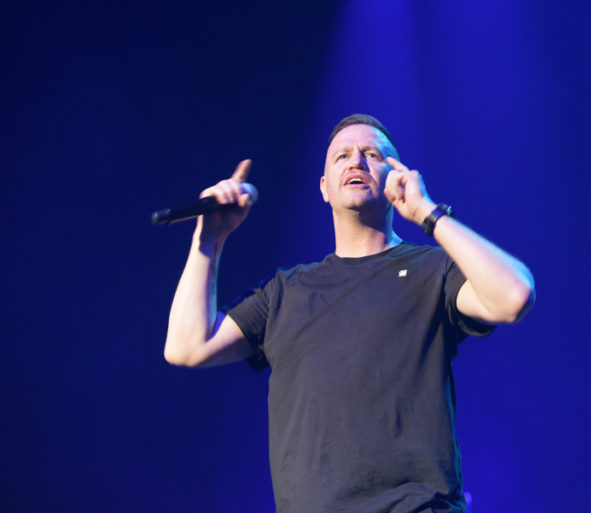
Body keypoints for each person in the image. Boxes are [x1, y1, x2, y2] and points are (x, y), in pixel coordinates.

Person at [164, 114, 535, 513]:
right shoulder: (286, 292)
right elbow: (187, 346)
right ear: (324, 187)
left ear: (396, 178)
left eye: (371, 154)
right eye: (341, 156)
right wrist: (209, 238)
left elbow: (513, 295)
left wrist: (428, 213)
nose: (356, 161)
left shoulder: (431, 270)